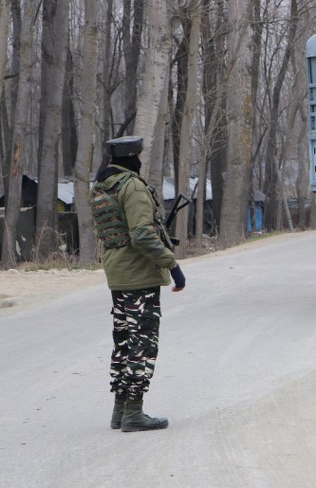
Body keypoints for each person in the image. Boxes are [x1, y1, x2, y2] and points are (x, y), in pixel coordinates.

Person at [91, 136, 186, 432]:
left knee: (123, 342)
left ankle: (120, 410)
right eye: (139, 156)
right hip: (138, 276)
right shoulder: (131, 186)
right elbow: (142, 235)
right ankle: (134, 412)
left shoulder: (103, 186)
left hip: (118, 274)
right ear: (133, 157)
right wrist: (173, 264)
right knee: (142, 343)